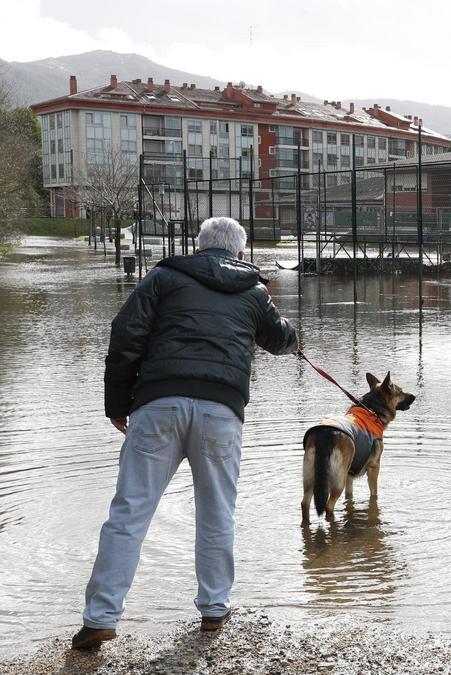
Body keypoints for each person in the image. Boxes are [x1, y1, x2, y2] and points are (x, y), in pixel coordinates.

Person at [72, 217, 298, 650]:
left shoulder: (164, 276)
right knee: (216, 512)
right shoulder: (253, 291)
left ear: (199, 247)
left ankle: (100, 617)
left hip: (158, 405)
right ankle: (214, 609)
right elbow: (280, 338)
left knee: (129, 513)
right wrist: (290, 337)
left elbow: (125, 336)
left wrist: (117, 405)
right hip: (221, 411)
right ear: (241, 253)